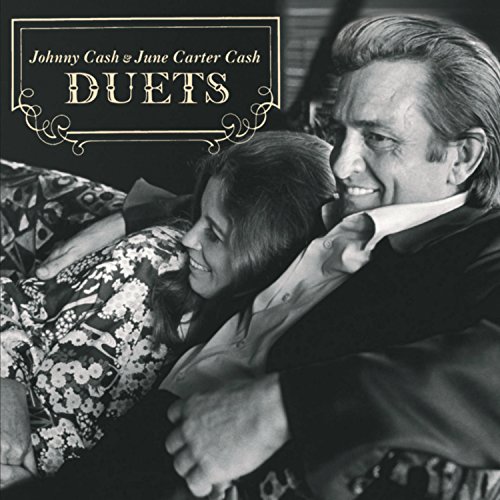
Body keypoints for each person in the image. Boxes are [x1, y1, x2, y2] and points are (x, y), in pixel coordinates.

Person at [5, 14, 500, 500]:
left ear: (462, 157)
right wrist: (139, 212)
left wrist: (283, 405)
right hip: (98, 455)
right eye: (340, 133)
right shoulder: (351, 208)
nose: (342, 163)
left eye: (378, 138)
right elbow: (259, 197)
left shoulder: (477, 249)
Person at [0, 131, 339, 488]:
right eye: (198, 217)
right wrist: (6, 383)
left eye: (214, 234)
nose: (191, 239)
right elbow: (13, 306)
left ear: (268, 249)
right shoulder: (154, 263)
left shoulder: (273, 349)